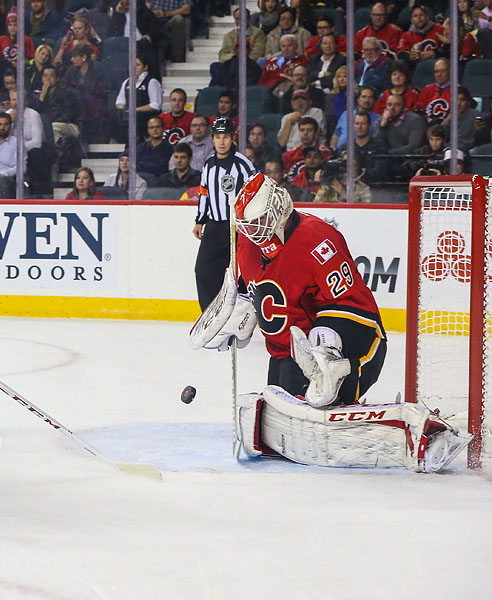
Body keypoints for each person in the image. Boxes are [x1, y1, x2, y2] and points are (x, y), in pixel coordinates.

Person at [189, 172, 469, 472]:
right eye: (248, 226)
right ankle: (320, 384)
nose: (255, 232)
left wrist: (323, 350)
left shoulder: (317, 238)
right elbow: (253, 292)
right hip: (289, 353)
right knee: (287, 412)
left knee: (323, 339)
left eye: (260, 222)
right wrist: (238, 314)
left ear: (280, 207)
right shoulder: (245, 245)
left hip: (360, 343)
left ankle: (331, 374)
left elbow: (350, 307)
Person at [193, 117, 256, 310]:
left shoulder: (243, 165)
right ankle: (210, 314)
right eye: (218, 137)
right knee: (203, 270)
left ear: (232, 138)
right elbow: (204, 194)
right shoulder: (209, 165)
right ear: (212, 139)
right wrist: (200, 221)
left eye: (226, 137)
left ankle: (243, 314)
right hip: (214, 225)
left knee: (242, 274)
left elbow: (256, 194)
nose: (221, 142)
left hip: (238, 228)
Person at [115, 55, 163, 143]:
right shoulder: (126, 82)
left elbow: (156, 105)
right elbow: (120, 101)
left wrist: (136, 110)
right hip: (129, 118)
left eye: (137, 65)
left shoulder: (152, 82)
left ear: (145, 67)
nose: (134, 68)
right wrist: (124, 109)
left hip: (145, 118)